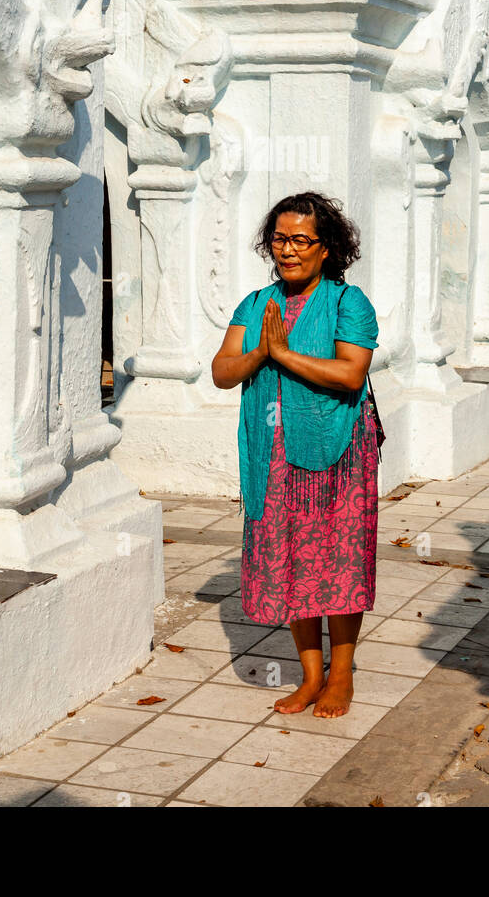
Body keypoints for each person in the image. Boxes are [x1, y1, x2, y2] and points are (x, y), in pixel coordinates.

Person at [211, 191, 382, 719]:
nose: (287, 250)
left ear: (326, 247)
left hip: (339, 450)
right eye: (280, 239)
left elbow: (350, 373)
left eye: (300, 240)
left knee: (339, 557)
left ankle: (342, 676)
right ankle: (310, 677)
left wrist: (282, 354)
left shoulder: (347, 303)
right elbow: (222, 372)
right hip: (275, 453)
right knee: (294, 561)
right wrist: (260, 350)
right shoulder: (256, 305)